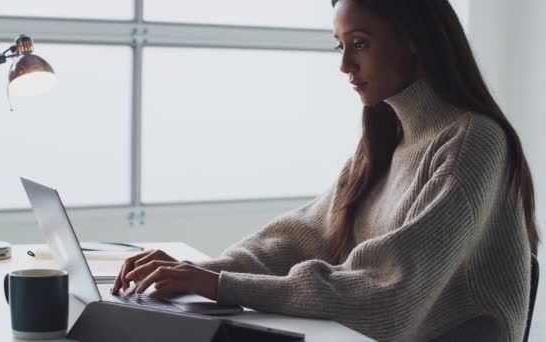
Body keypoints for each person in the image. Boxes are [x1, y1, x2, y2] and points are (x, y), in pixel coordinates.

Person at [112, 0, 539, 340]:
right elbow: (299, 239)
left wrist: (222, 285)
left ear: (414, 40)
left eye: (360, 43)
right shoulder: (387, 138)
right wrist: (203, 272)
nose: (344, 65)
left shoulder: (473, 142)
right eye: (340, 45)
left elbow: (387, 295)